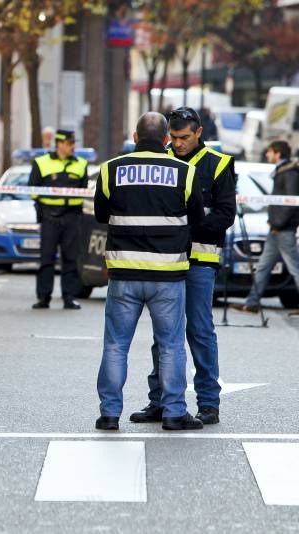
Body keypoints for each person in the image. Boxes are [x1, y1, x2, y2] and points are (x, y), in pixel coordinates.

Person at [94, 112, 205, 431]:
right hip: (168, 275)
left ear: (134, 137)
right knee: (171, 344)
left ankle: (110, 414)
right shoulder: (185, 171)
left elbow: (102, 215)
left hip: (124, 273)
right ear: (167, 139)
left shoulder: (110, 169)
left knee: (116, 345)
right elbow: (196, 217)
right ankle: (173, 412)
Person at [130, 107, 236, 427]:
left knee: (199, 331)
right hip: (165, 261)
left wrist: (186, 228)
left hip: (200, 261)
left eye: (184, 138)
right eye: (173, 138)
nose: (178, 144)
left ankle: (208, 403)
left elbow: (226, 214)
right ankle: (160, 401)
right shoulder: (162, 161)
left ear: (199, 133)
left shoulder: (218, 164)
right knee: (164, 334)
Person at [233, 141, 299, 313]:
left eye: (270, 152)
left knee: (295, 267)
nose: (267, 155)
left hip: (283, 229)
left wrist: (278, 223)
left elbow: (291, 202)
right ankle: (252, 303)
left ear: (278, 153)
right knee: (263, 266)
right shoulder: (282, 171)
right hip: (276, 229)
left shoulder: (289, 172)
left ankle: (252, 302)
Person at [29, 129, 89, 310]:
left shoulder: (81, 164)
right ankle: (43, 297)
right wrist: (43, 210)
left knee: (71, 258)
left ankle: (69, 297)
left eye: (73, 143)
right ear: (60, 143)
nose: (73, 147)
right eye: (70, 143)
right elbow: (32, 190)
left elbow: (84, 189)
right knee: (46, 258)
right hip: (49, 217)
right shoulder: (41, 162)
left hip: (72, 217)